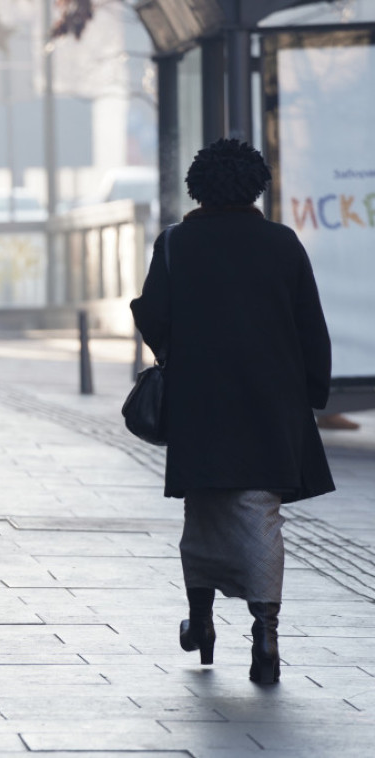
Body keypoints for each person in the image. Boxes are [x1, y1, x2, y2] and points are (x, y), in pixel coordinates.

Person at [131, 138, 335, 685]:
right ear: (255, 187)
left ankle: (201, 623)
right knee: (262, 515)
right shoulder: (282, 243)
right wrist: (312, 393)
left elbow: (152, 316)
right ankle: (265, 635)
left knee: (204, 511)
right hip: (271, 403)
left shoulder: (176, 244)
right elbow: (310, 326)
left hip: (202, 403)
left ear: (197, 188)